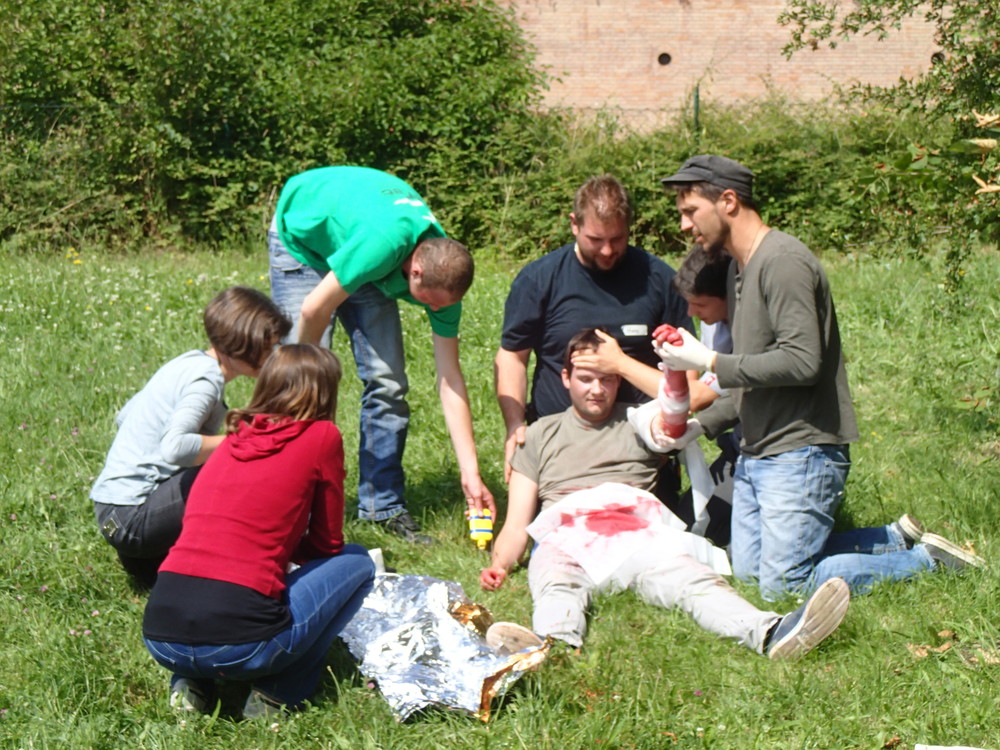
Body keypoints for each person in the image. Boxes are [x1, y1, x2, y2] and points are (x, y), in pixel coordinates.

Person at [656, 154, 984, 600]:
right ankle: (887, 540)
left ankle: (925, 561)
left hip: (801, 451)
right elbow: (757, 373)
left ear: (728, 201)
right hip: (758, 451)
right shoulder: (737, 269)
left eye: (691, 210)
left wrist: (711, 361)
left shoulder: (783, 261)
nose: (683, 224)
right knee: (750, 577)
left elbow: (802, 361)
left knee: (782, 587)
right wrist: (702, 424)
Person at [480, 330, 851, 660]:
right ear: (565, 378)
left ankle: (770, 633)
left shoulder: (639, 420)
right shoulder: (539, 434)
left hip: (636, 535)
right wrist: (501, 564)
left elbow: (673, 417)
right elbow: (517, 523)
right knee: (556, 583)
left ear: (618, 380)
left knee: (693, 580)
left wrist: (669, 371)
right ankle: (552, 649)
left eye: (607, 379)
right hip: (567, 538)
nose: (596, 389)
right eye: (585, 379)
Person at [142, 345, 376, 719]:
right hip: (241, 646)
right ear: (326, 392)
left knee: (204, 604)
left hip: (161, 637)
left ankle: (190, 685)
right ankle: (278, 693)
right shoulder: (321, 435)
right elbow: (327, 544)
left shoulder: (232, 439)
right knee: (359, 563)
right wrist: (285, 550)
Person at [268, 166, 494, 544]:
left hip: (364, 247)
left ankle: (382, 506)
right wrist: (306, 375)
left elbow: (450, 378)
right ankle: (295, 506)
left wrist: (470, 473)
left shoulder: (445, 278)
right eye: (429, 302)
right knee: (302, 389)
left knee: (388, 382)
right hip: (305, 236)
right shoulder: (381, 246)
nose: (435, 310)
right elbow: (313, 309)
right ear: (415, 272)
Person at [495, 174, 691, 482]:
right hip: (560, 443)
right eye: (596, 240)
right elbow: (511, 357)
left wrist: (619, 365)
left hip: (640, 446)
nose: (607, 251)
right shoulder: (539, 279)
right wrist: (514, 425)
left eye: (617, 239)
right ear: (574, 224)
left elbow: (688, 376)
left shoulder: (659, 280)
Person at [91, 286, 290, 587]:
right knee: (238, 466)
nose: (273, 356)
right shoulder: (206, 380)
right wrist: (243, 439)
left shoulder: (187, 362)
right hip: (134, 517)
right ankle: (253, 564)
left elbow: (125, 416)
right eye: (268, 347)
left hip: (112, 511)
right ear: (242, 344)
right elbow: (175, 448)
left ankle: (162, 563)